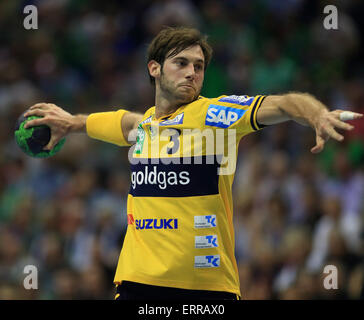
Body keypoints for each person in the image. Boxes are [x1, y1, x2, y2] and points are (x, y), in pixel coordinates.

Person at [23, 27, 362, 300]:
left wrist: (315, 113)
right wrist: (72, 122)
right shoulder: (144, 128)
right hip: (137, 283)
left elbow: (285, 103)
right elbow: (119, 122)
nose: (192, 73)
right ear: (154, 68)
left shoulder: (214, 114)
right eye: (181, 63)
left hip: (206, 289)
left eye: (198, 66)